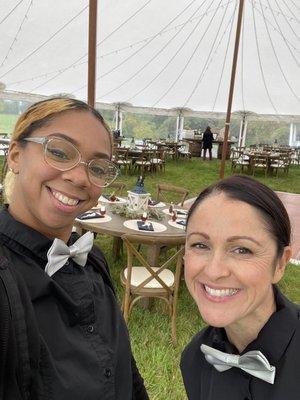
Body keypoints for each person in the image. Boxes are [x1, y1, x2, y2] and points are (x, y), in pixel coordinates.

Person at [0, 97, 149, 400]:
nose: (79, 177)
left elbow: (125, 368)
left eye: (97, 167)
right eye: (58, 151)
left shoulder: (93, 259)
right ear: (16, 155)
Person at [181, 175, 299, 399]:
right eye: (200, 245)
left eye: (242, 250)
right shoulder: (194, 360)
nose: (214, 271)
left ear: (280, 264)